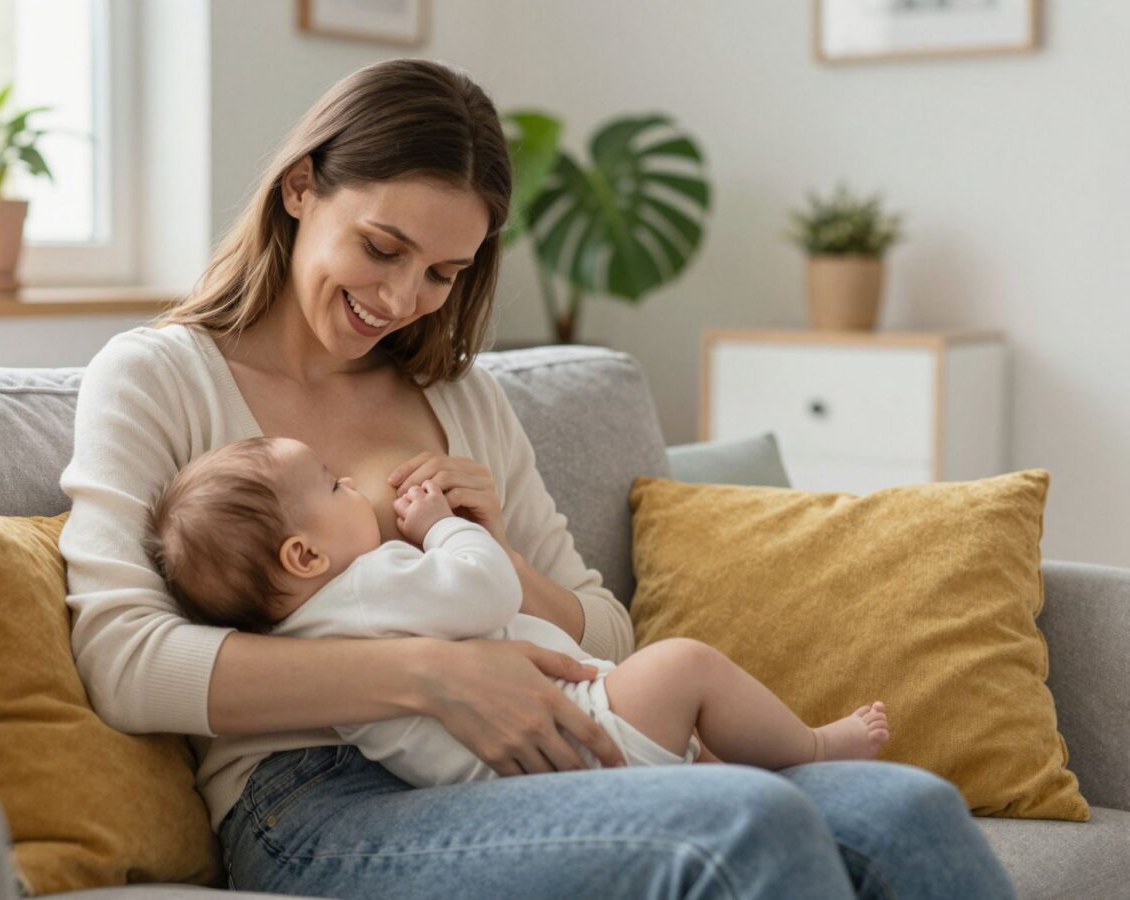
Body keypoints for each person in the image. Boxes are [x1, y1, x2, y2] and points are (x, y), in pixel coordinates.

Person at [59, 57, 1017, 898]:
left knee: (907, 810)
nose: (399, 300)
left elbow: (605, 628)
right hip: (314, 796)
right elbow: (124, 660)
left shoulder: (460, 397)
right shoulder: (158, 377)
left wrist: (502, 557)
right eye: (382, 249)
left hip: (542, 740)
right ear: (302, 187)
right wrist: (430, 676)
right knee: (742, 828)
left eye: (441, 273)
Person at [142, 434, 893, 787]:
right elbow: (486, 590)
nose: (354, 489)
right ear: (304, 557)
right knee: (685, 666)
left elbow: (542, 612)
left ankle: (747, 762)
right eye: (335, 486)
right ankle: (814, 749)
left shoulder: (318, 620)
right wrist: (443, 526)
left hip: (538, 754)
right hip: (577, 731)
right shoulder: (370, 584)